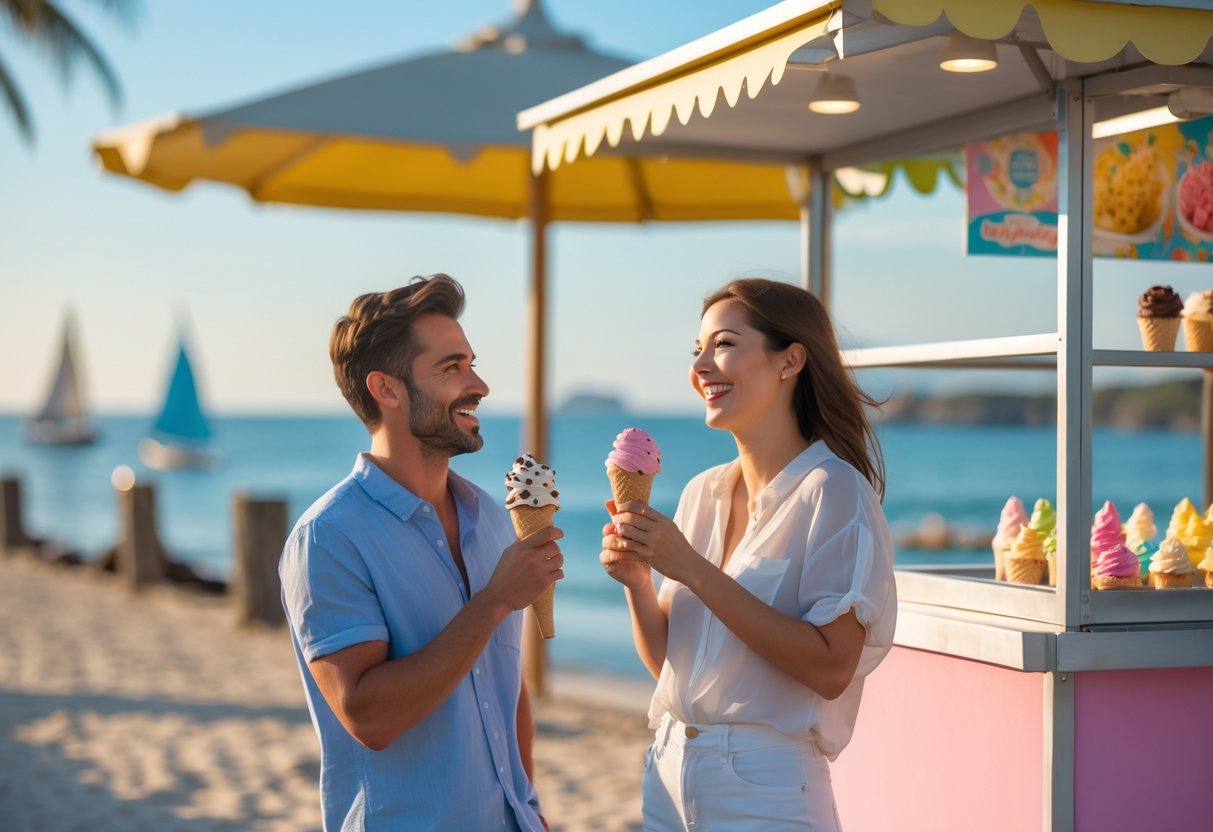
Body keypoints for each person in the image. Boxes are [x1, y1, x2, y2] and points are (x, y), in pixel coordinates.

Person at [601, 278, 896, 831]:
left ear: (790, 361)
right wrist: (640, 582)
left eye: (724, 344)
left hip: (765, 789)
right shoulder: (700, 493)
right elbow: (673, 667)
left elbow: (833, 667)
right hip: (667, 773)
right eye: (697, 350)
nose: (701, 366)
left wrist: (691, 568)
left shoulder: (833, 492)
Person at [280, 274, 562, 831]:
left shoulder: (489, 518)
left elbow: (506, 686)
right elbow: (369, 717)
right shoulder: (330, 536)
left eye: (471, 364)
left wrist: (529, 806)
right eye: (452, 368)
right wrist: (493, 603)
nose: (478, 384)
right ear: (386, 389)